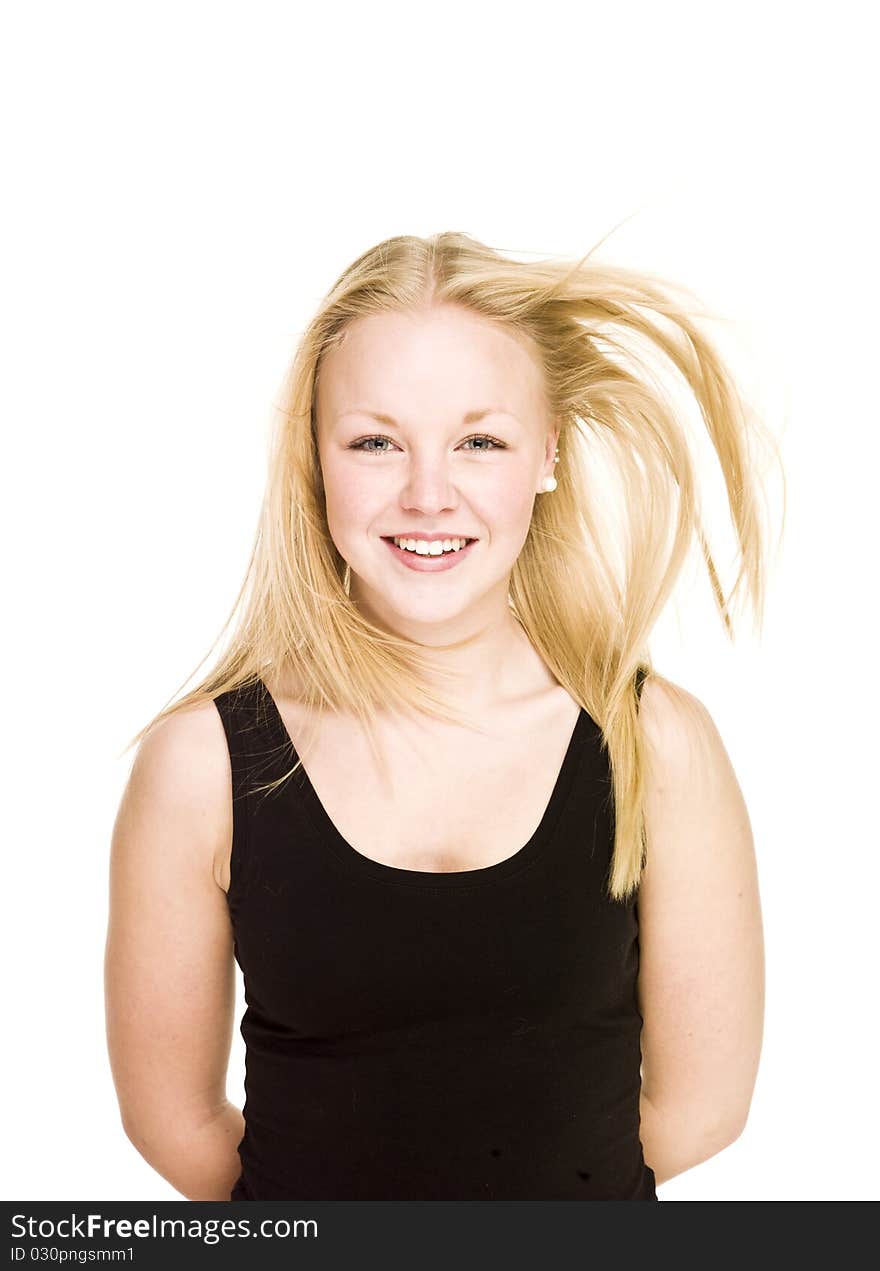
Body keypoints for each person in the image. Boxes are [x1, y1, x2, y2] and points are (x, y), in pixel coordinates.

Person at [104, 231, 773, 1201]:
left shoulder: (655, 744)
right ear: (315, 456)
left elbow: (702, 1105)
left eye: (479, 440)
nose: (426, 493)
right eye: (375, 440)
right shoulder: (200, 764)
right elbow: (174, 1121)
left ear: (545, 452)